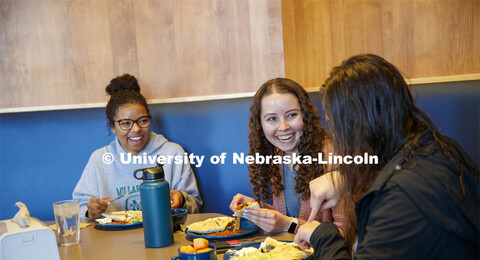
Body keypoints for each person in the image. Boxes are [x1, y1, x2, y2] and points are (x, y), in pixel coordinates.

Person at [295, 54, 479, 260]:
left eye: (336, 127)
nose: (335, 138)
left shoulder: (404, 196)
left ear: (359, 125)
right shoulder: (435, 147)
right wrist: (347, 180)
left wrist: (322, 234)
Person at [73, 74, 202, 219]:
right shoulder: (99, 159)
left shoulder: (173, 153)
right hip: (114, 238)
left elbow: (195, 205)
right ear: (112, 127)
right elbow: (78, 207)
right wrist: (89, 211)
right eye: (126, 123)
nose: (136, 129)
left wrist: (182, 199)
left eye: (142, 120)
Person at [229, 77, 344, 235]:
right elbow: (288, 218)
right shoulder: (278, 155)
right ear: (260, 125)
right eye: (272, 119)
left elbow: (347, 236)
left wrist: (288, 225)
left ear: (305, 115)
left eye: (291, 115)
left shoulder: (335, 157)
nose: (283, 127)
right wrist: (257, 209)